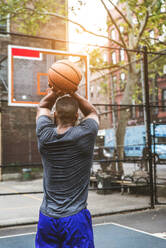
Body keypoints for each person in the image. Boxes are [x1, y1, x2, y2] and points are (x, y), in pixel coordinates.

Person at [35, 86, 99, 248]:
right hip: (75, 218)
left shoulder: (44, 134)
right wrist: (73, 92)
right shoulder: (86, 133)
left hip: (47, 218)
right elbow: (92, 112)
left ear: (55, 115)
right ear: (77, 116)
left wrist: (55, 92)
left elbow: (43, 106)